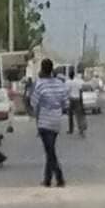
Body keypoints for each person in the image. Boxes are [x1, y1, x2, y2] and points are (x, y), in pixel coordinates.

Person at [31, 58, 68, 187]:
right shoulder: (60, 84)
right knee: (50, 149)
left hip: (44, 121)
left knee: (50, 151)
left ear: (42, 69)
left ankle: (59, 177)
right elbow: (66, 104)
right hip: (56, 120)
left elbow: (34, 103)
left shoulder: (39, 85)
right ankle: (47, 179)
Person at [66, 68, 87, 136]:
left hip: (71, 100)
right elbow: (81, 91)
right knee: (79, 115)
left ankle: (71, 129)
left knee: (70, 115)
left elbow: (67, 91)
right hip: (77, 99)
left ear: (69, 75)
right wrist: (81, 101)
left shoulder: (68, 82)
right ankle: (81, 130)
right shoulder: (77, 82)